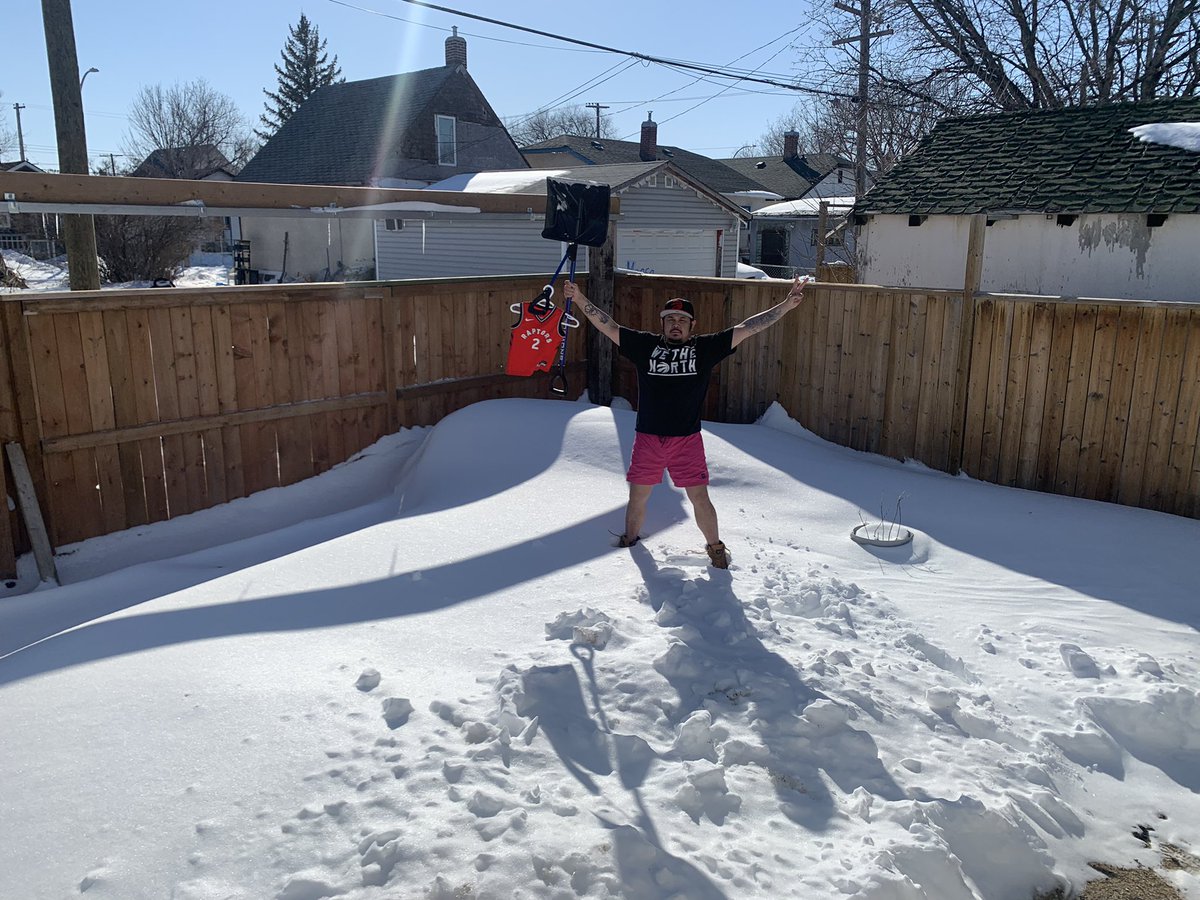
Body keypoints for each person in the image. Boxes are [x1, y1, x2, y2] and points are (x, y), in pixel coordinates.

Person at [563, 274, 809, 568]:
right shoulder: (645, 346)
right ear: (663, 324)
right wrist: (579, 299)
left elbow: (747, 328)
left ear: (692, 326)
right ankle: (629, 541)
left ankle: (716, 550)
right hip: (648, 438)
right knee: (638, 496)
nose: (675, 324)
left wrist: (785, 306)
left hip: (687, 441)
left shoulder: (704, 349)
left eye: (682, 319)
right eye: (670, 319)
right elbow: (609, 326)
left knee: (699, 499)